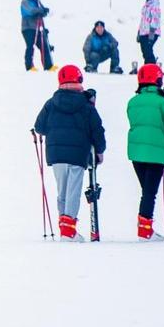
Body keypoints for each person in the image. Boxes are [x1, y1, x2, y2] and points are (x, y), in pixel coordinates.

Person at [34, 65, 106, 242]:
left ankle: (66, 230)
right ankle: (69, 231)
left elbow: (39, 127)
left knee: (62, 192)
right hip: (78, 154)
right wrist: (100, 150)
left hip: (56, 154)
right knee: (73, 191)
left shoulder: (51, 103)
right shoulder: (86, 105)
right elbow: (97, 129)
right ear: (79, 80)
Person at [126, 64, 164, 241]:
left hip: (136, 153)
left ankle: (145, 228)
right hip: (156, 154)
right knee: (149, 193)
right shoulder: (163, 103)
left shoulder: (132, 102)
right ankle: (145, 231)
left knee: (146, 191)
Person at [20, 0, 57, 72]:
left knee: (44, 45)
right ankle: (29, 66)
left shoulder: (36, 1)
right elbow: (30, 11)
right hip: (28, 28)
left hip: (37, 27)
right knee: (30, 46)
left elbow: (41, 12)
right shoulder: (25, 2)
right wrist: (39, 10)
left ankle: (48, 66)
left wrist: (44, 10)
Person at [133, 0, 161, 70]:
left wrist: (151, 35)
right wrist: (139, 32)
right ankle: (147, 68)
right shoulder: (145, 6)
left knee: (148, 50)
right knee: (145, 52)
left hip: (151, 32)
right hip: (143, 32)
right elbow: (143, 20)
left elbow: (155, 20)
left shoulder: (154, 5)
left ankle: (153, 68)